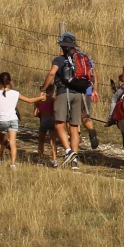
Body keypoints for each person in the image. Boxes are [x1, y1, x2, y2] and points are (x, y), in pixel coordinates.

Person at [39, 32, 95, 170]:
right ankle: (74, 162)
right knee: (75, 127)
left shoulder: (59, 60)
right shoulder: (81, 59)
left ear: (63, 47)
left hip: (64, 93)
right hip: (80, 94)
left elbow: (52, 73)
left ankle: (68, 151)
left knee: (59, 124)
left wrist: (44, 88)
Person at [0, 72, 45, 169]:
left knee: (0, 141)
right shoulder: (15, 93)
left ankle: (2, 159)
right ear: (10, 82)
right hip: (13, 120)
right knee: (12, 142)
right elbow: (29, 100)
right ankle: (13, 164)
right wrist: (40, 97)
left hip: (2, 120)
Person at [35, 84, 58, 167]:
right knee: (52, 141)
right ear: (52, 91)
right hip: (52, 120)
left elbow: (34, 114)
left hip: (43, 121)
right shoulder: (53, 100)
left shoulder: (38, 101)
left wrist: (42, 113)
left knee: (41, 140)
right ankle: (54, 160)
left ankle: (40, 159)